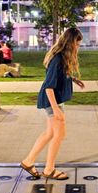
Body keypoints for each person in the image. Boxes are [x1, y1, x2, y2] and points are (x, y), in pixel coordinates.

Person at [21, 27, 85, 180]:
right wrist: (56, 110)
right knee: (59, 134)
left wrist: (74, 80)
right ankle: (49, 169)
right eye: (77, 43)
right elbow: (49, 86)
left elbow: (60, 77)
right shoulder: (57, 59)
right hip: (52, 100)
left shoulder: (62, 57)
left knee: (50, 133)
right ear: (70, 42)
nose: (78, 47)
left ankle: (28, 161)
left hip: (55, 100)